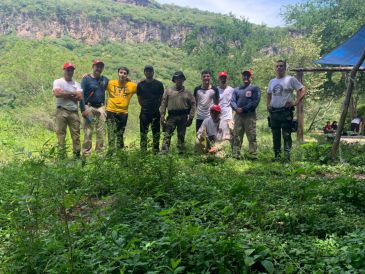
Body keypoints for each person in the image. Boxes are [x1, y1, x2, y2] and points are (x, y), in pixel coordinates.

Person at [267, 60, 306, 161]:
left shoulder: (290, 79)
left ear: (285, 68)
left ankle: (287, 157)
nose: (279, 68)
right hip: (274, 112)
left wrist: (296, 102)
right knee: (275, 135)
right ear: (275, 68)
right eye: (277, 66)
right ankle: (277, 156)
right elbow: (268, 94)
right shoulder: (272, 81)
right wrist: (268, 104)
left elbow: (302, 89)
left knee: (286, 135)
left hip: (286, 111)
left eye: (281, 66)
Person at [160, 71, 196, 154]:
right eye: (177, 78)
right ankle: (164, 152)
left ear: (183, 79)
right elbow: (163, 104)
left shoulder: (188, 92)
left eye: (180, 78)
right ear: (174, 80)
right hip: (171, 116)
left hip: (183, 116)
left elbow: (193, 105)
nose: (179, 80)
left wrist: (191, 118)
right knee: (167, 134)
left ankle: (181, 152)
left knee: (181, 135)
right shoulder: (168, 91)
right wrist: (162, 115)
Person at [53, 62, 83, 158]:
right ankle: (62, 156)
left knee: (76, 135)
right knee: (61, 134)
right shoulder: (58, 82)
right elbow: (57, 94)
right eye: (68, 70)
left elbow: (80, 97)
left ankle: (77, 155)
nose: (70, 72)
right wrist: (73, 93)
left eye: (71, 70)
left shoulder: (76, 84)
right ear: (64, 70)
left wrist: (65, 93)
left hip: (74, 112)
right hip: (61, 111)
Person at [80, 60, 109, 155]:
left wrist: (127, 80)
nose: (99, 68)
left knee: (101, 131)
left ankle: (99, 153)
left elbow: (116, 84)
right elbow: (81, 94)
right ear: (93, 66)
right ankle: (86, 153)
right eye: (97, 66)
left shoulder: (105, 79)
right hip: (89, 107)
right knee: (88, 131)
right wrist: (83, 109)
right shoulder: (86, 79)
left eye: (101, 67)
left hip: (101, 107)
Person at [231, 69, 261, 159]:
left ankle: (253, 154)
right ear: (242, 77)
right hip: (238, 116)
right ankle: (236, 154)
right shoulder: (237, 89)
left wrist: (243, 109)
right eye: (244, 75)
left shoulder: (255, 88)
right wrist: (236, 108)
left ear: (251, 77)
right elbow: (232, 101)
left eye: (248, 75)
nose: (246, 77)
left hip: (249, 115)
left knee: (251, 135)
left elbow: (255, 102)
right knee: (237, 135)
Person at [106, 67, 137, 152]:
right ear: (118, 73)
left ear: (127, 75)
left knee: (120, 133)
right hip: (111, 111)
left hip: (123, 113)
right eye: (121, 72)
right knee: (111, 132)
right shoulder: (111, 83)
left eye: (124, 73)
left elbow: (142, 88)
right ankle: (111, 151)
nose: (122, 75)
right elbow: (98, 82)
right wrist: (87, 76)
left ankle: (120, 151)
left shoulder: (131, 85)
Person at [137, 65, 165, 153]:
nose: (148, 72)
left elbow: (161, 98)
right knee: (143, 133)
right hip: (144, 112)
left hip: (156, 112)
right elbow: (139, 98)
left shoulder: (159, 84)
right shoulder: (140, 84)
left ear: (153, 72)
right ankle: (143, 151)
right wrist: (145, 106)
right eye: (147, 71)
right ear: (144, 72)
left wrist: (156, 107)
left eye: (150, 71)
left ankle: (156, 151)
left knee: (156, 133)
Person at [217, 71, 234, 140]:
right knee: (219, 137)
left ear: (227, 79)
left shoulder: (232, 90)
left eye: (225, 78)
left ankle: (231, 150)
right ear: (218, 79)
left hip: (229, 117)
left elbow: (234, 104)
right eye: (221, 78)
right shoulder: (216, 90)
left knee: (230, 137)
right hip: (219, 117)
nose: (223, 79)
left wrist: (233, 117)